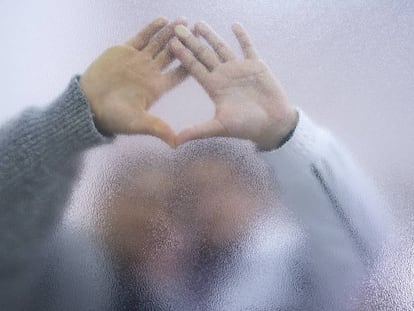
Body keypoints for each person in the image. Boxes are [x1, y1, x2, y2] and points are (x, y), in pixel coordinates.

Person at [0, 17, 393, 310]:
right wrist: (67, 122)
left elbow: (363, 243)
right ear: (107, 201)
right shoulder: (77, 270)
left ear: (258, 197)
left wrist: (286, 135)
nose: (205, 205)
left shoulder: (292, 270)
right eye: (187, 196)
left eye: (220, 188)